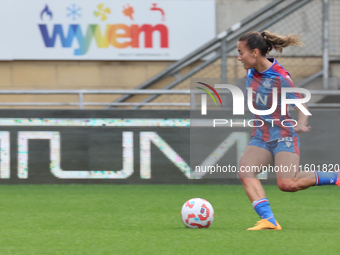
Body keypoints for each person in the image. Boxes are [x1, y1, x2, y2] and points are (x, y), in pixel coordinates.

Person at [237, 30, 340, 230]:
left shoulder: (280, 77)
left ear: (255, 52)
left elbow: (301, 106)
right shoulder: (251, 70)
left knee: (287, 184)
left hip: (283, 136)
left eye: (241, 52)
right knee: (245, 171)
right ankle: (269, 220)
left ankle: (335, 176)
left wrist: (301, 122)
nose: (238, 57)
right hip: (261, 137)